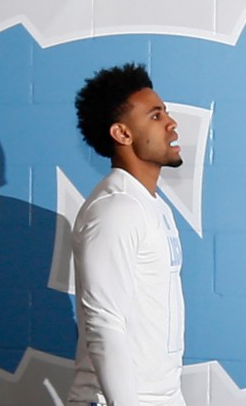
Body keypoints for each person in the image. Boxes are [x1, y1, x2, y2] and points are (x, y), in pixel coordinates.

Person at [66, 63, 186, 406]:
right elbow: (103, 323)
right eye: (155, 116)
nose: (171, 123)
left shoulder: (153, 206)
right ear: (122, 134)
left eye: (165, 112)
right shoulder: (115, 209)